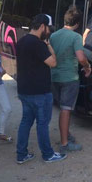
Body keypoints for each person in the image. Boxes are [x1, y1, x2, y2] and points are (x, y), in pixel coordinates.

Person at [16, 14, 67, 164]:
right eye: (48, 28)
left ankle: (21, 154)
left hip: (24, 90)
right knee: (42, 124)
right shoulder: (38, 44)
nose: (49, 32)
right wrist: (49, 45)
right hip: (40, 91)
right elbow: (53, 62)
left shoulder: (22, 41)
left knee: (25, 122)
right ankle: (48, 154)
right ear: (43, 26)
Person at [50, 6, 91, 154]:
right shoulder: (76, 37)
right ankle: (64, 143)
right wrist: (87, 67)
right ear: (78, 24)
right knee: (66, 109)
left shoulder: (54, 36)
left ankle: (65, 134)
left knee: (62, 108)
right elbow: (81, 57)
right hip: (69, 78)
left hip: (54, 77)